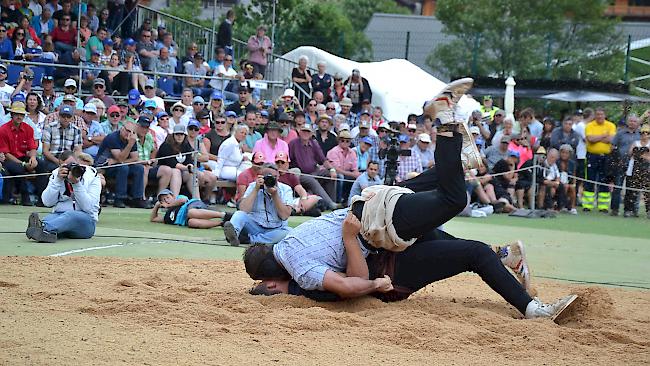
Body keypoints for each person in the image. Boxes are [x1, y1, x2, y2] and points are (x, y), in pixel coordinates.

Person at [242, 95, 578, 320]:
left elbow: (343, 276)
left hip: (375, 234)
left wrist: (350, 244)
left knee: (426, 203)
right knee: (456, 213)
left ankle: (461, 164)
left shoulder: (295, 267)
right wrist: (369, 276)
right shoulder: (294, 262)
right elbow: (350, 285)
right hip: (381, 250)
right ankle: (533, 310)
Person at [26, 150, 101, 242]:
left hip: (85, 221)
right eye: (66, 166)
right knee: (50, 218)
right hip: (60, 216)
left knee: (70, 215)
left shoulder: (92, 175)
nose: (70, 169)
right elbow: (47, 202)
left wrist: (76, 184)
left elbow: (88, 207)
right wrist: (57, 181)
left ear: (78, 161)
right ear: (60, 165)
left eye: (73, 164)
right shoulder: (56, 174)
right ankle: (47, 232)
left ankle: (43, 229)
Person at [222, 164, 293, 246]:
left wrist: (275, 195)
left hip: (275, 228)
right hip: (254, 226)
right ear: (261, 177)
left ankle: (248, 239)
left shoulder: (286, 189)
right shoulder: (253, 186)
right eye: (269, 177)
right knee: (238, 214)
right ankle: (234, 235)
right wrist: (256, 189)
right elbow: (243, 209)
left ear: (278, 177)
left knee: (289, 232)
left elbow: (284, 216)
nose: (272, 179)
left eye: (275, 177)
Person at [94, 121, 149, 208]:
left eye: (132, 132)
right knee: (123, 168)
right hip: (104, 166)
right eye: (127, 130)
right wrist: (130, 145)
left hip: (116, 164)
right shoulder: (113, 138)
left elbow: (135, 158)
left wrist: (116, 161)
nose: (129, 134)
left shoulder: (132, 139)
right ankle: (119, 198)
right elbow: (121, 158)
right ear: (121, 128)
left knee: (139, 168)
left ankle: (137, 198)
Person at [288, 122, 337, 210]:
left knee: (329, 175)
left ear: (311, 134)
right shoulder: (293, 144)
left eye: (308, 132)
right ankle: (330, 204)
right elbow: (288, 161)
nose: (305, 134)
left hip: (314, 172)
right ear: (299, 132)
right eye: (303, 131)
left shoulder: (314, 143)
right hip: (299, 174)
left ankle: (333, 202)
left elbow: (323, 160)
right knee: (311, 180)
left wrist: (332, 169)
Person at [0, 101, 38, 205]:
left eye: (21, 114)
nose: (19, 117)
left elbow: (32, 147)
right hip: (8, 160)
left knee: (42, 165)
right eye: (16, 114)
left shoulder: (28, 129)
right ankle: (26, 199)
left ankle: (41, 199)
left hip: (23, 157)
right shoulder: (3, 130)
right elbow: (6, 153)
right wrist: (23, 164)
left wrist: (33, 158)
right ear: (12, 115)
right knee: (18, 168)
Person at [582, 108, 616, 213]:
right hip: (592, 156)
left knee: (604, 180)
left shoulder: (611, 125)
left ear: (604, 115)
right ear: (594, 115)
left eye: (601, 114)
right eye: (597, 114)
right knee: (589, 180)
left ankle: (603, 206)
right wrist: (603, 136)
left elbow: (611, 139)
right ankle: (587, 205)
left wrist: (597, 138)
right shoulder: (590, 125)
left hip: (606, 156)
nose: (599, 116)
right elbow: (590, 139)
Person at [274, 151, 321, 216]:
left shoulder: (291, 176)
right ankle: (300, 211)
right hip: (277, 200)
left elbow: (300, 189)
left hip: (290, 201)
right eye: (277, 162)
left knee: (315, 198)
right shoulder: (273, 174)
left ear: (287, 164)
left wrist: (303, 199)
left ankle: (298, 210)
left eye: (282, 162)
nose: (280, 164)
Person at [610, 114, 640, 216]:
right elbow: (612, 147)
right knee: (617, 187)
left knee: (631, 188)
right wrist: (616, 159)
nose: (632, 123)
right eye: (631, 121)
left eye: (634, 121)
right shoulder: (620, 133)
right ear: (627, 122)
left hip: (634, 165)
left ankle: (628, 210)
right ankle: (615, 209)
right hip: (620, 164)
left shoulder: (640, 135)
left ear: (637, 123)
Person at [150, 189, 226, 229]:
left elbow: (184, 200)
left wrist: (169, 206)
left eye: (167, 197)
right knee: (192, 223)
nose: (166, 200)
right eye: (163, 200)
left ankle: (224, 215)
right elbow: (153, 219)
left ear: (172, 196)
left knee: (191, 213)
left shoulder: (178, 198)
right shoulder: (167, 216)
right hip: (187, 219)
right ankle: (222, 223)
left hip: (192, 205)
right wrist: (156, 206)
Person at [623, 123, 650, 219]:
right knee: (631, 191)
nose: (644, 134)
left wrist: (640, 153)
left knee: (647, 192)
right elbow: (630, 154)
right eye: (642, 132)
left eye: (647, 132)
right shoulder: (635, 143)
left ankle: (648, 211)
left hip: (647, 171)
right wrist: (644, 153)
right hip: (633, 170)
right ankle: (629, 210)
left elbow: (646, 157)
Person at [327, 130, 359, 203]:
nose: (345, 142)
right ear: (338, 141)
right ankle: (338, 201)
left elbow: (355, 168)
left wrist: (356, 174)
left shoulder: (352, 152)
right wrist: (353, 174)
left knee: (358, 178)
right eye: (342, 140)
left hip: (346, 173)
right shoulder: (333, 151)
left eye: (347, 141)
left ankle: (350, 200)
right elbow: (336, 169)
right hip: (333, 173)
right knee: (340, 177)